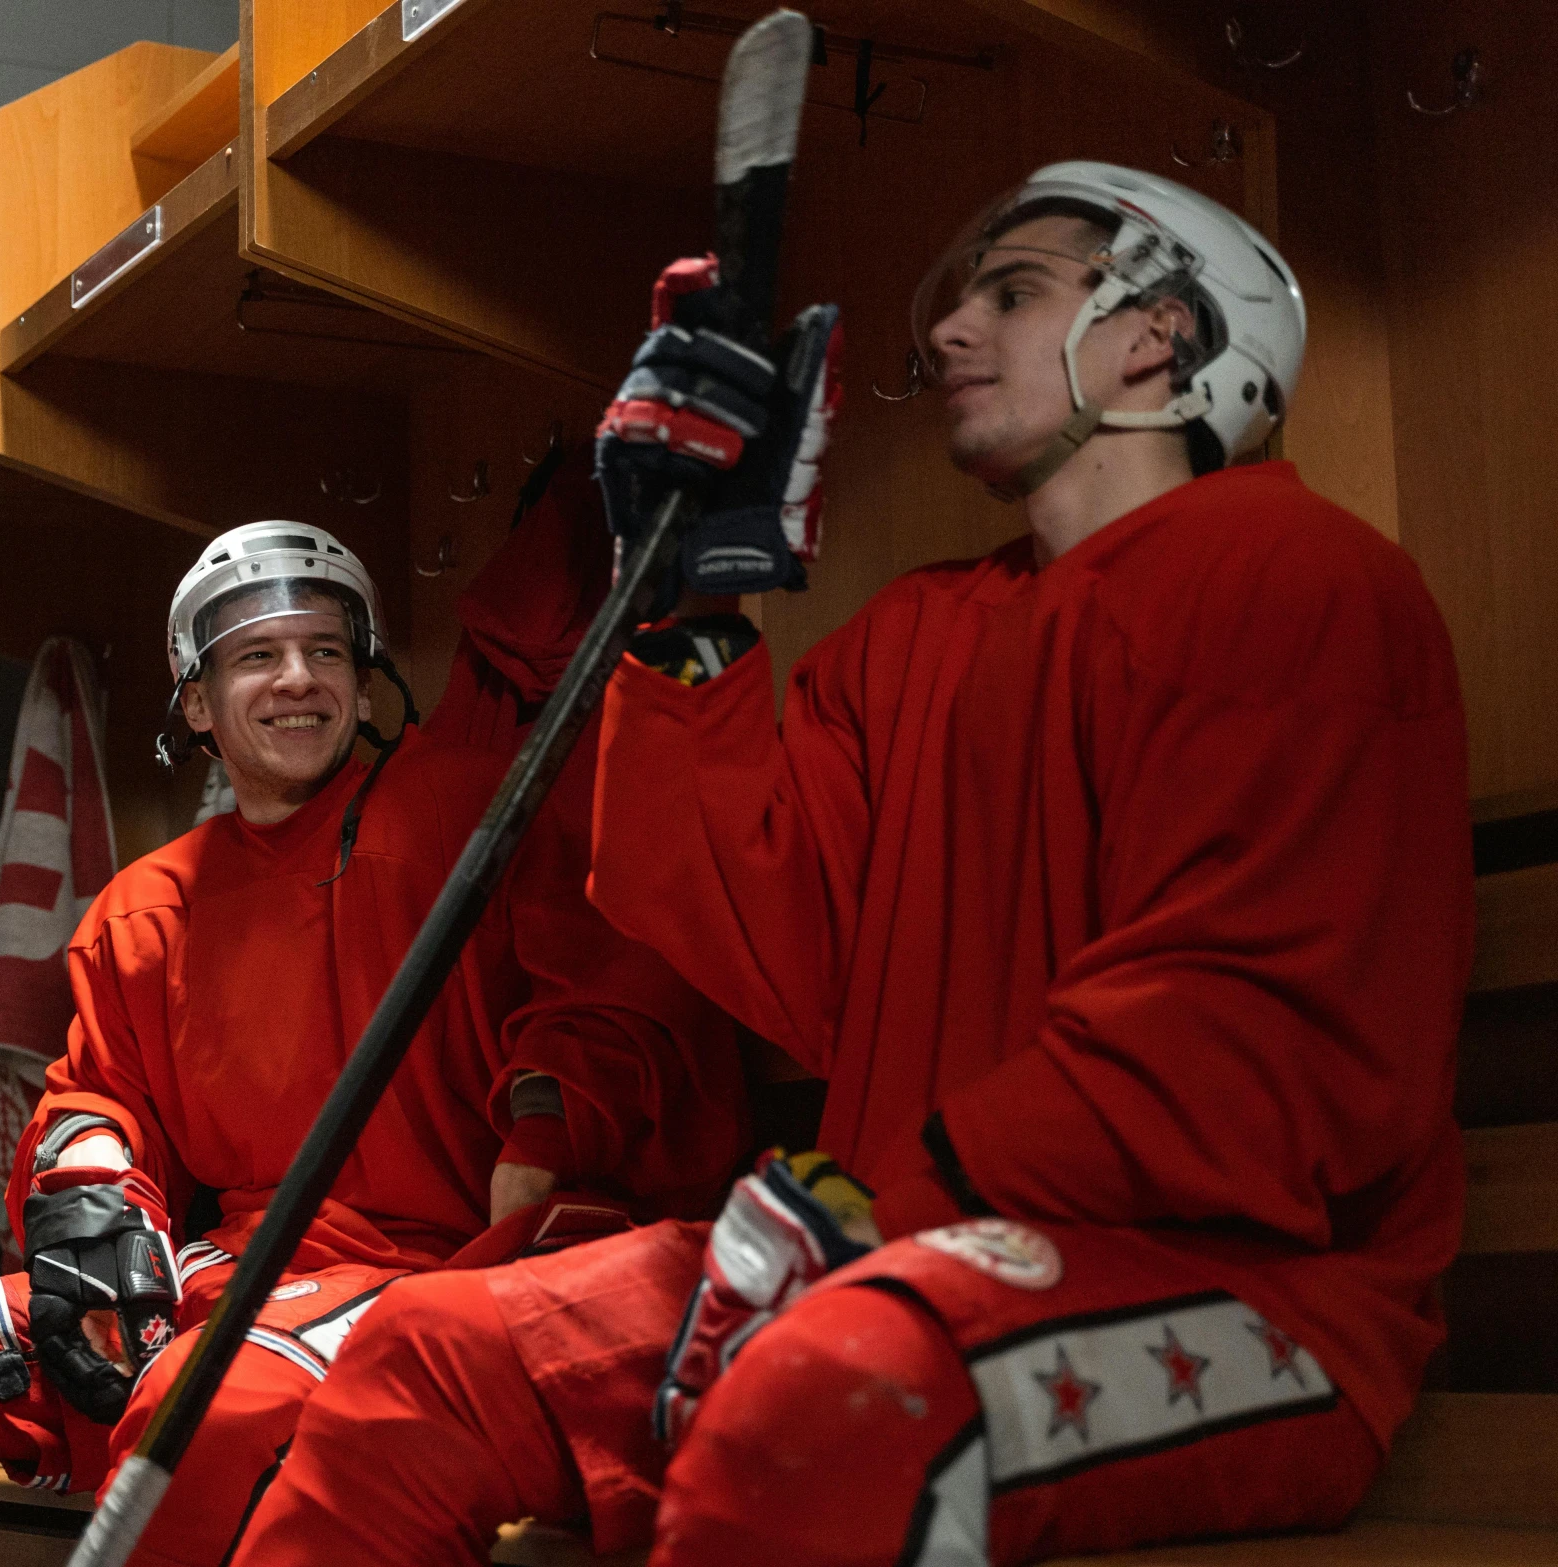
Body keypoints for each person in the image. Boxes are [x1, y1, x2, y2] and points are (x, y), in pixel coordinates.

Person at [232, 161, 1473, 1566]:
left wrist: (883, 1214)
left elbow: (1245, 1038)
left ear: (1160, 336)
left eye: (1011, 293)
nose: (944, 332)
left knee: (824, 1406)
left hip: (1245, 1290)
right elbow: (763, 930)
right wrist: (686, 596)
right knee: (428, 1358)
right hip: (896, 1246)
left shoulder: (1295, 576)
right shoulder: (921, 631)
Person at [0, 520, 747, 1567]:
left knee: (202, 1398)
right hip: (216, 1278)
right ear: (195, 704)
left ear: (367, 681)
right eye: (257, 656)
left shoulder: (475, 812)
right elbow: (97, 1100)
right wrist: (90, 1204)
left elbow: (614, 982)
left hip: (424, 1279)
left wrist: (546, 1120)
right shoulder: (141, 909)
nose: (298, 679)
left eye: (326, 651)